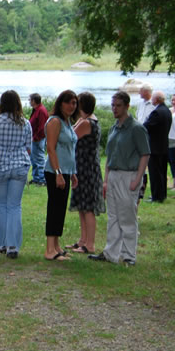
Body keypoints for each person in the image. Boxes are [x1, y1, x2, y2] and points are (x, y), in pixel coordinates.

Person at [90, 91, 150, 266]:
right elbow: (110, 155)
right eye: (113, 105)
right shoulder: (115, 128)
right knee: (113, 215)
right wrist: (106, 179)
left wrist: (137, 179)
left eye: (118, 106)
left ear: (126, 106)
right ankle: (111, 253)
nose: (114, 109)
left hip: (128, 174)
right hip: (114, 173)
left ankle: (129, 255)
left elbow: (145, 154)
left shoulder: (136, 128)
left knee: (127, 216)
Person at [0, 90, 31, 258]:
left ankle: (3, 244)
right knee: (15, 205)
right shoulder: (25, 123)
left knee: (1, 205)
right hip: (20, 165)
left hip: (0, 165)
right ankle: (13, 246)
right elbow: (29, 147)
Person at [66, 92, 105, 254]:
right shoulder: (87, 121)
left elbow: (69, 137)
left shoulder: (86, 123)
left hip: (86, 169)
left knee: (87, 207)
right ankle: (83, 241)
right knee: (82, 206)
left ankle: (90, 244)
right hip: (83, 167)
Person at [43, 90, 79, 261]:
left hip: (66, 171)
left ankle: (56, 246)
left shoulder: (68, 122)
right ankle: (49, 249)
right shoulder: (55, 121)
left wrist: (72, 173)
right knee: (55, 207)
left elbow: (69, 149)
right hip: (54, 171)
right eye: (68, 102)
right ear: (61, 103)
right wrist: (58, 173)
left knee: (61, 209)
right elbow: (51, 148)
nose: (72, 106)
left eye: (74, 103)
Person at [143, 91, 172, 203]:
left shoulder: (157, 112)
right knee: (162, 172)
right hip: (164, 145)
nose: (152, 101)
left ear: (157, 99)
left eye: (153, 99)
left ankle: (156, 196)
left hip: (155, 147)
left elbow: (147, 126)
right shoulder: (167, 111)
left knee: (155, 172)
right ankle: (162, 194)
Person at [135, 83, 154, 201]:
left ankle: (144, 183)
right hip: (139, 134)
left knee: (146, 160)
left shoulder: (152, 105)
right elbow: (138, 117)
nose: (139, 93)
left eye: (140, 91)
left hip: (147, 135)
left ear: (147, 92)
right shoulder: (140, 104)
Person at [29, 93, 49, 186]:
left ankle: (42, 179)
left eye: (30, 100)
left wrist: (36, 137)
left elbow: (42, 127)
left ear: (34, 101)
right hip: (35, 138)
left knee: (40, 158)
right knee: (34, 159)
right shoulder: (36, 110)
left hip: (39, 139)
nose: (29, 101)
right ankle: (36, 178)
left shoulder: (41, 111)